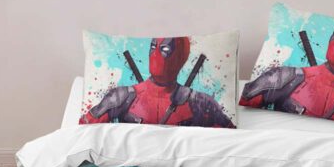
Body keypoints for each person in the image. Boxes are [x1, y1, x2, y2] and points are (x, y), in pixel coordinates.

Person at [82, 37, 234, 127]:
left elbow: (229, 140)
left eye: (165, 50)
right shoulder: (120, 97)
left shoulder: (201, 103)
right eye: (153, 47)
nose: (155, 55)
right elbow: (84, 130)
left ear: (180, 58)